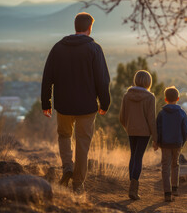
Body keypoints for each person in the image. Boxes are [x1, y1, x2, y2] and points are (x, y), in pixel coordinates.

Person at [41, 12, 110, 193]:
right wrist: (105, 103)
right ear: (89, 28)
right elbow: (102, 80)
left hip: (63, 105)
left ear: (75, 27)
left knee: (64, 135)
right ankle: (78, 184)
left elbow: (47, 77)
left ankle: (67, 168)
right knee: (82, 143)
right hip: (87, 107)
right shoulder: (94, 49)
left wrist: (45, 102)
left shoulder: (58, 48)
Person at [119, 70, 157, 200]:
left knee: (133, 156)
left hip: (131, 130)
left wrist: (128, 127)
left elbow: (122, 117)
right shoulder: (150, 97)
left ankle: (132, 186)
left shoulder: (126, 96)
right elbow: (151, 119)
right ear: (148, 82)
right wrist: (155, 138)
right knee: (138, 157)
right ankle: (133, 189)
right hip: (144, 132)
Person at [153, 86, 187, 202]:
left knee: (165, 167)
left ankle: (167, 193)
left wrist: (157, 142)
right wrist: (182, 142)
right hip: (177, 143)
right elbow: (185, 131)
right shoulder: (182, 113)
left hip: (165, 144)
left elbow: (158, 128)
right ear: (178, 98)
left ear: (165, 99)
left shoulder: (162, 113)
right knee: (175, 164)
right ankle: (175, 188)